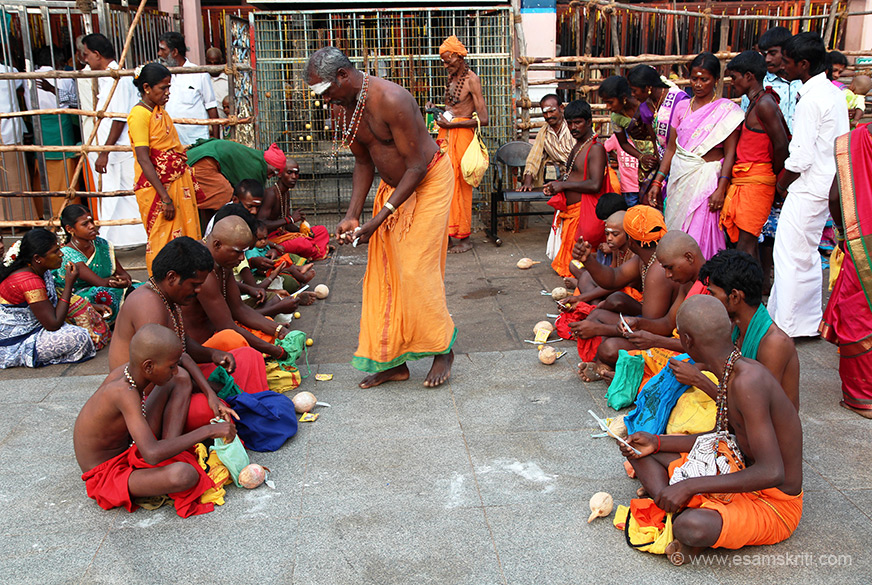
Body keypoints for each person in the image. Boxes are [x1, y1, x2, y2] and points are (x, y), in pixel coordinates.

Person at [307, 46, 456, 388]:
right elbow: (364, 162)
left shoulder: (392, 99)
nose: (325, 100)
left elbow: (417, 165)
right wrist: (353, 215)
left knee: (416, 268)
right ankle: (395, 362)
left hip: (429, 179)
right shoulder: (342, 110)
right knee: (386, 272)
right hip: (395, 188)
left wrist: (381, 217)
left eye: (326, 91)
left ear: (343, 76)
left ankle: (442, 347)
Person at [620, 295, 803, 564]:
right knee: (638, 452)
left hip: (773, 502)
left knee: (691, 527)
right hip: (735, 467)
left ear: (687, 341)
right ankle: (672, 502)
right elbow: (722, 438)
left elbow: (772, 472)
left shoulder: (748, 381)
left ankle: (679, 509)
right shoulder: (730, 371)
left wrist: (691, 485)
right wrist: (656, 442)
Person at [75, 324, 236, 518]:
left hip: (131, 446)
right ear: (149, 366)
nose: (174, 370)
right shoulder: (123, 392)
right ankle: (166, 456)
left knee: (181, 379)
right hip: (106, 474)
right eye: (170, 367)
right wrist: (210, 431)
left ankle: (169, 449)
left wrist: (210, 394)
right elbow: (151, 454)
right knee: (184, 475)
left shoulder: (131, 371)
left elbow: (183, 358)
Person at [109, 236, 268, 396]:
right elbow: (163, 378)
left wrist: (213, 354)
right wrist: (213, 388)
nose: (198, 290)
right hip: (150, 397)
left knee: (249, 357)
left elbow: (183, 343)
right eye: (194, 285)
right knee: (226, 397)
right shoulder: (148, 303)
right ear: (172, 277)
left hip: (176, 378)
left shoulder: (168, 296)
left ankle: (253, 405)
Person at [770, 33, 849, 338]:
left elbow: (800, 157)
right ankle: (803, 321)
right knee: (806, 254)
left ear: (803, 64)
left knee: (790, 254)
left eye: (787, 62)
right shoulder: (833, 93)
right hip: (826, 184)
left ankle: (788, 325)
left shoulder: (811, 100)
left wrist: (781, 184)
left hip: (807, 185)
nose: (782, 66)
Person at [649, 52, 743, 259]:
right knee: (677, 233)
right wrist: (657, 182)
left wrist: (721, 187)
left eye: (704, 79)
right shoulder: (682, 107)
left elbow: (730, 154)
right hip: (680, 180)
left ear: (716, 80)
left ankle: (702, 284)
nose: (698, 84)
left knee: (701, 236)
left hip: (707, 183)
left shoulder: (726, 111)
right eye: (694, 78)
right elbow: (672, 149)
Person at [567, 206, 676, 381]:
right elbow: (614, 278)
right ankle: (600, 364)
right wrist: (587, 260)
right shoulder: (645, 258)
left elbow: (652, 327)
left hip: (661, 337)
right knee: (597, 314)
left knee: (609, 348)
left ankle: (603, 363)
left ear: (630, 240)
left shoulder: (658, 269)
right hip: (648, 326)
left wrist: (601, 329)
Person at [694, 249, 799, 409]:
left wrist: (699, 381)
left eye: (713, 294)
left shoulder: (774, 344)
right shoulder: (736, 324)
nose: (710, 300)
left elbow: (756, 406)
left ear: (735, 296)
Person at [182, 216, 295, 361]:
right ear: (217, 245)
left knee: (266, 328)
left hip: (220, 331)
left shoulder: (222, 260)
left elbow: (239, 309)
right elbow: (227, 326)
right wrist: (275, 351)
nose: (242, 258)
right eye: (238, 252)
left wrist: (279, 331)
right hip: (202, 348)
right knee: (237, 342)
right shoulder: (202, 268)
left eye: (244, 252)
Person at [128, 63, 203, 273]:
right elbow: (144, 158)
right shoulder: (139, 115)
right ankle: (161, 287)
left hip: (177, 183)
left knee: (185, 239)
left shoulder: (160, 112)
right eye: (163, 88)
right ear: (146, 88)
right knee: (162, 241)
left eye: (169, 87)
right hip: (157, 189)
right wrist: (165, 198)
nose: (167, 93)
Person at [820, 122, 872, 418]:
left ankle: (863, 396)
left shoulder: (852, 143)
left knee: (857, 318)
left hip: (863, 243)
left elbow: (836, 198)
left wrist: (842, 234)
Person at [80, 34, 147, 249]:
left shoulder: (116, 79)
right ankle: (124, 238)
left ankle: (116, 239)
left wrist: (105, 151)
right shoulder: (108, 78)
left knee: (116, 193)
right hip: (114, 149)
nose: (86, 60)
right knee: (119, 194)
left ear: (97, 55)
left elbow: (118, 118)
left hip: (116, 149)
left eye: (88, 55)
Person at [749, 27, 803, 294]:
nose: (767, 59)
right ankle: (765, 281)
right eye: (764, 53)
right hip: (772, 165)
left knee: (793, 230)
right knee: (765, 229)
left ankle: (785, 285)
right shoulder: (763, 87)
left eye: (773, 53)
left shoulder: (804, 84)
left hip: (800, 166)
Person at [721, 51, 790, 259]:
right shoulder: (756, 101)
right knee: (745, 242)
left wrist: (775, 177)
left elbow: (781, 145)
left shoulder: (764, 104)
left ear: (749, 76)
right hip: (749, 179)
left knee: (746, 244)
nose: (732, 83)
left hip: (757, 180)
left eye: (734, 77)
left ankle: (746, 291)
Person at [0, 228, 95, 368]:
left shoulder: (38, 270)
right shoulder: (29, 281)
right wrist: (69, 283)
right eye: (55, 251)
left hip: (38, 327)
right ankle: (26, 357)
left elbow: (52, 303)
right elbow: (53, 324)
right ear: (37, 258)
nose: (61, 254)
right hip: (15, 343)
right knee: (79, 337)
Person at [430, 35, 489, 254]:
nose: (445, 65)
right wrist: (435, 107)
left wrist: (454, 126)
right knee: (444, 185)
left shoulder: (472, 79)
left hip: (462, 138)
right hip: (446, 137)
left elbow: (484, 119)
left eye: (448, 61)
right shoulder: (452, 77)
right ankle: (447, 234)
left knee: (460, 189)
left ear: (459, 56)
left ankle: (464, 238)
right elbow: (454, 106)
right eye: (443, 61)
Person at [543, 99, 607, 278]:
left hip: (583, 215)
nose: (573, 127)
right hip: (572, 214)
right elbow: (572, 175)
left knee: (578, 263)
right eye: (569, 123)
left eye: (577, 122)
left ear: (589, 122)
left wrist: (563, 185)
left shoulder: (595, 149)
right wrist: (556, 185)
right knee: (570, 266)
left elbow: (595, 184)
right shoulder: (579, 145)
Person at [25, 46, 80, 218]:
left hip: (39, 126)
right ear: (58, 60)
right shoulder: (63, 78)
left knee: (43, 169)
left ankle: (45, 211)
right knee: (66, 168)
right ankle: (68, 209)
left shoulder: (28, 78)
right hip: (61, 125)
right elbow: (76, 101)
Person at [54, 204, 133, 324]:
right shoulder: (67, 253)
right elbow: (99, 282)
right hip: (78, 296)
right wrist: (118, 283)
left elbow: (124, 274)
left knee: (144, 289)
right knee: (103, 294)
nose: (91, 227)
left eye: (91, 222)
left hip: (109, 287)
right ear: (70, 229)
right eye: (85, 224)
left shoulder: (102, 245)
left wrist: (125, 281)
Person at [185, 138, 286, 227]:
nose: (269, 176)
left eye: (274, 175)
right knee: (224, 196)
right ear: (267, 163)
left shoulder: (255, 158)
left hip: (208, 160)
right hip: (203, 161)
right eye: (272, 172)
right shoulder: (256, 167)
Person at [257, 157, 332, 260]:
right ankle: (315, 249)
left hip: (283, 234)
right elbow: (261, 224)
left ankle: (313, 249)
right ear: (279, 174)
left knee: (321, 230)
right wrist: (290, 219)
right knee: (303, 243)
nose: (294, 177)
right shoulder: (271, 194)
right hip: (269, 240)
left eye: (296, 173)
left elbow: (287, 225)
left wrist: (302, 232)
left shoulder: (286, 193)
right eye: (289, 172)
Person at [599, 75, 657, 205]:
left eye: (610, 102)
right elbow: (623, 143)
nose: (607, 107)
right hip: (645, 165)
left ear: (623, 98)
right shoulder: (616, 118)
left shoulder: (646, 105)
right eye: (605, 102)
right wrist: (641, 157)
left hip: (662, 156)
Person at [158, 32, 220, 145]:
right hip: (172, 141)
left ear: (175, 52)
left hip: (197, 141)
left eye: (163, 50)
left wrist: (215, 144)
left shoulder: (199, 74)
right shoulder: (164, 75)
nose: (159, 54)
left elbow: (212, 108)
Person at [520, 94, 574, 190]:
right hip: (564, 179)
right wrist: (527, 183)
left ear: (561, 108)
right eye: (545, 113)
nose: (549, 116)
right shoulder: (544, 133)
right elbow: (534, 158)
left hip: (583, 175)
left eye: (552, 111)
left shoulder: (573, 126)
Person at [206, 47, 229, 119]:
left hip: (225, 123)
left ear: (221, 62)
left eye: (216, 63)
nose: (213, 67)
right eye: (210, 63)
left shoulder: (229, 81)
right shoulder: (203, 79)